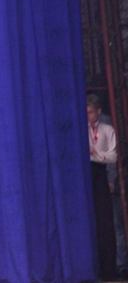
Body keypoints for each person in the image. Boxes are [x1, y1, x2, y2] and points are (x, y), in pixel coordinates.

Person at [88, 94, 118, 280]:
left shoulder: (107, 129)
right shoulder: (82, 129)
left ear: (98, 111)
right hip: (88, 172)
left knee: (107, 221)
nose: (88, 116)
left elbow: (113, 156)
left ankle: (111, 269)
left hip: (101, 173)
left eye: (91, 112)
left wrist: (97, 155)